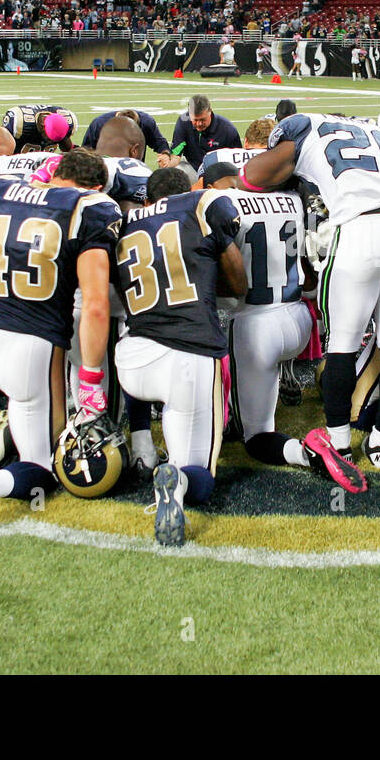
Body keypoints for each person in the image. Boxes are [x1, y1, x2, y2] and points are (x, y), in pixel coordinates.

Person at [0, 150, 123, 547]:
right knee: (42, 467)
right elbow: (94, 305)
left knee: (26, 410)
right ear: (94, 186)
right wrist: (90, 380)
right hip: (29, 350)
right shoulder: (92, 207)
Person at [242, 112, 380, 469]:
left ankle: (339, 442)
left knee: (342, 343)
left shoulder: (305, 126)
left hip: (359, 228)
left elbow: (253, 176)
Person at [201, 163, 363, 492]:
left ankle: (306, 454)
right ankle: (273, 382)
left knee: (257, 437)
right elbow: (311, 265)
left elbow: (227, 276)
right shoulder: (292, 199)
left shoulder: (224, 202)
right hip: (299, 319)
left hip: (255, 326)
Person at [113, 168, 247, 544]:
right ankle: (178, 479)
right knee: (200, 476)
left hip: (133, 357)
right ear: (187, 189)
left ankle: (141, 444)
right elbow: (239, 286)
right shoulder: (201, 203)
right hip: (188, 356)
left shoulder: (122, 221)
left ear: (146, 200)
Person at [171, 94, 241, 171]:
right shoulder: (183, 122)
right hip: (193, 170)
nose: (199, 124)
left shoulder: (227, 130)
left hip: (219, 173)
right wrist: (167, 164)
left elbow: (237, 162)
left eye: (202, 120)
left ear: (210, 112)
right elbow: (176, 154)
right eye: (195, 120)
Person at [83, 108, 173, 164]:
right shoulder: (99, 125)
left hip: (135, 168)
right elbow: (86, 151)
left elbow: (160, 143)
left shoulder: (146, 123)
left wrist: (165, 155)